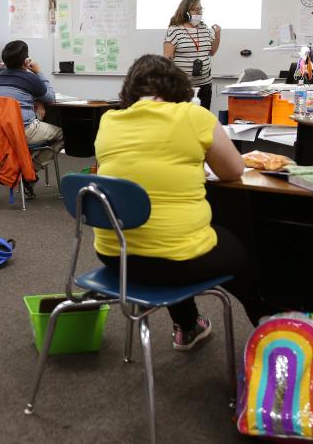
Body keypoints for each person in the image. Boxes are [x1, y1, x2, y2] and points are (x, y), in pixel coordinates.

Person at [92, 54, 274, 349]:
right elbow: (233, 171)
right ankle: (270, 324)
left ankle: (187, 326)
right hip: (174, 262)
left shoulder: (109, 121)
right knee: (238, 250)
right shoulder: (194, 117)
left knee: (173, 233)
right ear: (177, 86)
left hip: (116, 257)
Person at [0, 40, 63, 199]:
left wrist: (35, 101)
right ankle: (29, 171)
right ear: (26, 60)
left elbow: (16, 98)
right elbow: (50, 97)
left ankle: (25, 168)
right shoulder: (30, 78)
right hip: (23, 132)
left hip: (0, 135)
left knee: (40, 132)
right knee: (63, 134)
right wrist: (39, 72)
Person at [163, 0, 221, 110]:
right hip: (182, 87)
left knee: (202, 119)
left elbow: (212, 52)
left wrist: (218, 35)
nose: (199, 12)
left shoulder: (204, 28)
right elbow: (167, 59)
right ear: (185, 12)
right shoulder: (175, 30)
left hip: (204, 85)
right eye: (195, 9)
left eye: (200, 9)